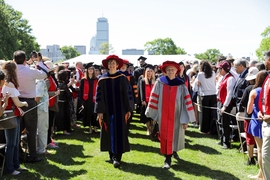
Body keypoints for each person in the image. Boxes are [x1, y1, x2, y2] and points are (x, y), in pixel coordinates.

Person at [145, 60, 196, 169]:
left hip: (177, 115)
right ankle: (167, 158)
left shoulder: (181, 84)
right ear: (165, 71)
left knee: (175, 134)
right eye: (168, 70)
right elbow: (154, 97)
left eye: (173, 70)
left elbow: (186, 101)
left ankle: (173, 151)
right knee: (164, 135)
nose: (171, 71)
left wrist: (185, 119)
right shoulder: (160, 82)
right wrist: (154, 114)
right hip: (163, 115)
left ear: (176, 71)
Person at [95, 55, 132, 168]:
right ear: (107, 65)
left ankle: (118, 157)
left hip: (120, 111)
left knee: (120, 132)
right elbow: (99, 97)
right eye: (110, 63)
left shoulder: (122, 78)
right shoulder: (102, 79)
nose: (112, 65)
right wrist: (100, 111)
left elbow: (128, 95)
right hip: (107, 111)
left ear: (117, 65)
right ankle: (111, 155)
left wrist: (129, 109)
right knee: (108, 131)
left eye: (114, 63)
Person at [14, 50, 48, 163]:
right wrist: (39, 62)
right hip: (29, 102)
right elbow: (45, 73)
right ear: (25, 60)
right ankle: (32, 155)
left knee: (17, 131)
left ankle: (17, 154)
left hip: (16, 101)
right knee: (31, 130)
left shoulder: (11, 71)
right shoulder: (30, 71)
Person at [1, 61, 28, 175]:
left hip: (13, 113)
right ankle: (10, 168)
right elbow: (16, 102)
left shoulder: (7, 84)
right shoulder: (9, 84)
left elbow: (12, 102)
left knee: (16, 142)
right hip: (9, 116)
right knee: (11, 143)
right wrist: (24, 104)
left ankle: (16, 165)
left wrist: (19, 108)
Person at [247, 70, 268, 180]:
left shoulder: (254, 91)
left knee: (260, 150)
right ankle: (261, 174)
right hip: (266, 121)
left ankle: (263, 176)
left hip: (256, 121)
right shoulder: (266, 90)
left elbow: (249, 110)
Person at [239, 67, 259, 165]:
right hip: (259, 118)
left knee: (249, 138)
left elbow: (242, 103)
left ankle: (250, 158)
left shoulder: (248, 89)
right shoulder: (262, 89)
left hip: (249, 117)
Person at [216, 60, 236, 149]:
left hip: (226, 104)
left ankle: (226, 142)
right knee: (220, 122)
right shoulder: (223, 77)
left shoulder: (230, 79)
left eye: (219, 69)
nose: (218, 71)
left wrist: (225, 106)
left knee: (225, 123)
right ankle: (221, 139)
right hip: (221, 102)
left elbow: (229, 93)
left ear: (223, 69)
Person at [258, 50, 270, 179]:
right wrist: (261, 111)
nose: (263, 62)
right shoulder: (267, 77)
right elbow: (264, 98)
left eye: (264, 59)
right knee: (267, 157)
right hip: (265, 122)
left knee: (267, 156)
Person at [196, 60, 217, 134]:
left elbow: (198, 84)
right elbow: (214, 82)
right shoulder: (213, 73)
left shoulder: (200, 74)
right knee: (212, 113)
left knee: (205, 114)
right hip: (213, 94)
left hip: (205, 95)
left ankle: (205, 129)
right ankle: (212, 129)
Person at [79, 63, 98, 134]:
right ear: (87, 71)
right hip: (86, 100)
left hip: (94, 99)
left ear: (94, 71)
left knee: (95, 113)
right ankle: (90, 127)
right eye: (89, 69)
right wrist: (82, 101)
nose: (90, 70)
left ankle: (95, 127)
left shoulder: (96, 79)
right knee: (88, 113)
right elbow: (81, 91)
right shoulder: (83, 80)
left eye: (92, 69)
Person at [44, 60, 60, 149]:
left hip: (52, 103)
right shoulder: (47, 79)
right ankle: (47, 142)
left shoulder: (50, 78)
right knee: (49, 124)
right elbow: (44, 92)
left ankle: (49, 140)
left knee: (51, 124)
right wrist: (55, 93)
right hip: (49, 104)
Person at [138, 64, 156, 135]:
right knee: (146, 115)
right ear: (146, 72)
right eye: (148, 71)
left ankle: (152, 127)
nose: (149, 73)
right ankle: (148, 128)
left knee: (153, 115)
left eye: (151, 71)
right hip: (146, 101)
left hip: (154, 101)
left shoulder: (155, 80)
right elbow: (141, 91)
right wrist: (143, 100)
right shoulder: (142, 80)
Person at [55, 70, 72, 135]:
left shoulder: (57, 83)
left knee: (57, 117)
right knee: (64, 117)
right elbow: (68, 94)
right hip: (64, 103)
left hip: (57, 102)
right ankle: (65, 130)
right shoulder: (64, 85)